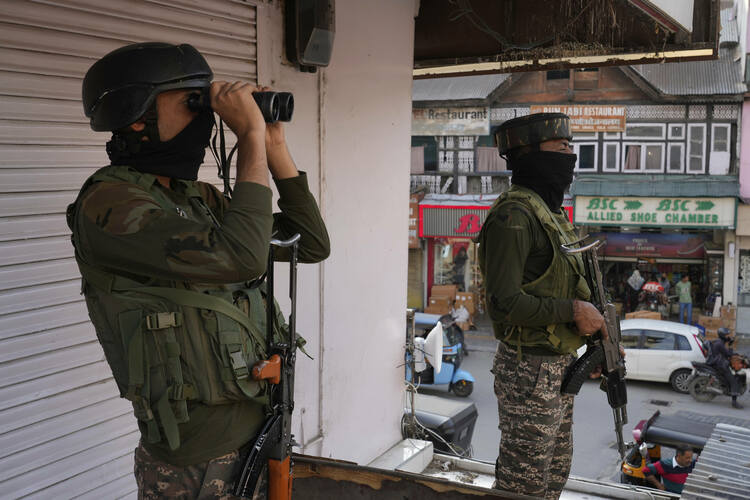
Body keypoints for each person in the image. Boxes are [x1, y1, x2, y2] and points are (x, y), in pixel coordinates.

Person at [67, 42, 330, 498]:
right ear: (137, 116)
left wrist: (274, 147)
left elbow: (308, 244)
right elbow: (242, 256)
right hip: (194, 465)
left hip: (260, 431)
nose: (208, 116)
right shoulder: (108, 205)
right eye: (194, 101)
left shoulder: (197, 199)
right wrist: (249, 138)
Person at [477, 112, 610, 500]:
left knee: (554, 474)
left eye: (570, 147)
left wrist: (598, 334)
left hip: (557, 365)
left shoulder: (551, 214)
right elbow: (503, 303)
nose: (570, 156)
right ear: (530, 154)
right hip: (529, 369)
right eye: (561, 147)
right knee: (524, 485)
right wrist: (573, 312)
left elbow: (565, 283)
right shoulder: (514, 217)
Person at [707, 328, 743, 409]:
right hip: (720, 365)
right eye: (726, 335)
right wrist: (730, 346)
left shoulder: (719, 341)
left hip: (719, 362)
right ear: (723, 335)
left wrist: (729, 340)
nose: (728, 336)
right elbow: (728, 354)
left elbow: (724, 342)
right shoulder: (719, 344)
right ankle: (734, 402)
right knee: (733, 381)